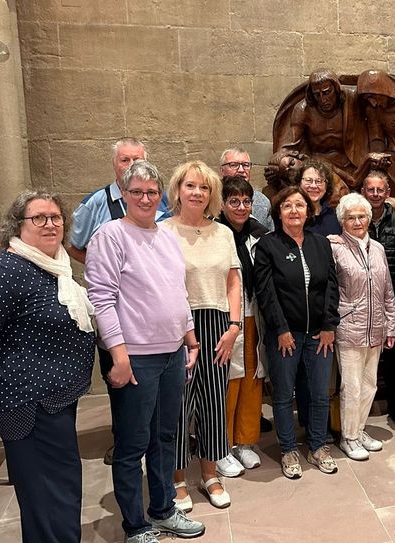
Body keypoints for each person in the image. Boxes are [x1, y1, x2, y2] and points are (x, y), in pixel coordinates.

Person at [0, 191, 95, 543]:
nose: (50, 224)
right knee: (48, 493)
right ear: (18, 226)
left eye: (56, 217)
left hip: (54, 399)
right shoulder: (7, 271)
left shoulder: (54, 267)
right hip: (28, 403)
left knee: (58, 487)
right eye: (39, 218)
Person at [85, 160, 205, 542]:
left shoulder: (166, 236)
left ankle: (164, 509)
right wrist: (118, 356)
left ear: (160, 196)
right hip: (135, 357)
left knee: (166, 437)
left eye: (152, 192)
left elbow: (177, 292)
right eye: (136, 192)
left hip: (171, 353)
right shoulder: (110, 235)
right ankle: (136, 526)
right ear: (123, 194)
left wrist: (189, 337)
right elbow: (101, 299)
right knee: (132, 444)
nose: (145, 198)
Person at [66, 137, 168, 466]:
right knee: (120, 380)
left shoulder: (160, 201)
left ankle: (155, 440)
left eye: (138, 159)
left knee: (154, 383)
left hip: (153, 315)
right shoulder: (96, 203)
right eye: (125, 160)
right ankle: (123, 441)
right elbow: (73, 244)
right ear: (115, 164)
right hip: (116, 310)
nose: (132, 166)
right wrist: (108, 268)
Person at [161, 162, 241, 511]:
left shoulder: (223, 233)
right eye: (190, 186)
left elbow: (234, 281)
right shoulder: (162, 232)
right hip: (178, 324)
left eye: (204, 188)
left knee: (212, 402)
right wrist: (179, 332)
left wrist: (234, 327)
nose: (197, 193)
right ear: (178, 189)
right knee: (179, 405)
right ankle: (177, 479)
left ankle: (210, 474)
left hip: (219, 324)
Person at [254, 186, 340, 479]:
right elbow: (266, 293)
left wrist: (329, 325)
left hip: (318, 334)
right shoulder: (268, 245)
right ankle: (288, 448)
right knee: (282, 394)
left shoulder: (320, 244)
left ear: (309, 210)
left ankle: (317, 445)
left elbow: (331, 286)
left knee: (318, 394)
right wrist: (281, 329)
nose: (294, 211)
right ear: (279, 212)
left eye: (300, 205)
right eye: (288, 205)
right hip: (285, 335)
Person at [331, 193, 395, 460]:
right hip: (349, 328)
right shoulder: (334, 247)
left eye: (362, 216)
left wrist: (391, 326)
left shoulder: (378, 248)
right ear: (342, 221)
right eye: (351, 217)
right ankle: (348, 437)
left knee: (370, 385)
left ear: (369, 218)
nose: (357, 221)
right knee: (352, 385)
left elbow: (387, 291)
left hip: (377, 328)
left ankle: (359, 430)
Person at [218, 176, 270, 471]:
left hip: (255, 315)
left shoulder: (259, 235)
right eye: (234, 201)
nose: (241, 207)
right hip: (226, 318)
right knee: (228, 382)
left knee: (253, 377)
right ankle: (222, 445)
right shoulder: (214, 233)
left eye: (246, 201)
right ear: (223, 204)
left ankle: (246, 441)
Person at [362, 171, 395, 422]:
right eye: (371, 190)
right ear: (363, 192)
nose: (376, 194)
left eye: (380, 190)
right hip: (365, 294)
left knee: (393, 351)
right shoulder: (357, 218)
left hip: (394, 291)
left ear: (388, 193)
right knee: (366, 351)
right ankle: (364, 404)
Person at [219, 147, 273, 231]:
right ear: (222, 170)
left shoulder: (262, 202)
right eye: (233, 165)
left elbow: (269, 238)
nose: (241, 170)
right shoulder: (211, 198)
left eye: (245, 165)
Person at [299, 159, 342, 236]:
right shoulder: (293, 215)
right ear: (299, 183)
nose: (313, 186)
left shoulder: (336, 216)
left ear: (326, 187)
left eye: (319, 181)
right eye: (308, 180)